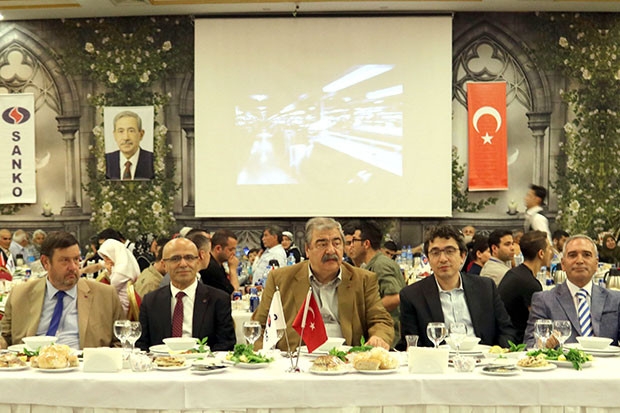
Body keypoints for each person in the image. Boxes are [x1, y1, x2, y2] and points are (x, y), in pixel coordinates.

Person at [252, 217, 394, 351]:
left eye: (337, 243)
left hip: (346, 360)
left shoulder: (363, 280)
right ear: (307, 249)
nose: (331, 250)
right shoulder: (280, 279)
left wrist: (378, 337)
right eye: (322, 244)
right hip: (296, 361)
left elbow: (381, 321)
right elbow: (258, 326)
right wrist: (266, 356)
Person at [0, 231, 124, 350]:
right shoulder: (20, 294)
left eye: (76, 259)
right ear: (45, 262)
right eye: (65, 261)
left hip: (84, 362)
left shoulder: (105, 295)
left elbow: (121, 342)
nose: (73, 267)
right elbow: (5, 338)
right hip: (32, 361)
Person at [399, 225, 516, 348]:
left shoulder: (485, 287)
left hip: (483, 356)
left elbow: (506, 330)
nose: (443, 259)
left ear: (462, 256)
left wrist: (498, 353)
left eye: (449, 251)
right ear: (428, 259)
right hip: (439, 358)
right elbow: (412, 343)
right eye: (435, 253)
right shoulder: (412, 295)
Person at [136, 237, 235, 351]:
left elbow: (226, 344)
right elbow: (142, 345)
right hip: (161, 360)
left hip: (203, 360)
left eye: (189, 258)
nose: (183, 264)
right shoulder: (151, 301)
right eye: (175, 259)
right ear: (164, 265)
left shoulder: (218, 300)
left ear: (198, 261)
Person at [524, 235, 620, 348]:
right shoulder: (544, 300)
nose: (579, 260)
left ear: (596, 264)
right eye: (572, 255)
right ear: (563, 264)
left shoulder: (615, 299)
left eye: (587, 255)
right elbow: (529, 344)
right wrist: (544, 345)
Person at [349, 220, 405, 347]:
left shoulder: (380, 265)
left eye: (354, 241)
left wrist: (367, 312)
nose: (351, 246)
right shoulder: (372, 264)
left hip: (389, 335)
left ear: (366, 244)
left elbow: (395, 297)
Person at [498, 230, 551, 343]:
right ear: (541, 253)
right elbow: (538, 322)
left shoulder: (514, 273)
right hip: (517, 342)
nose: (551, 253)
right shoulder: (530, 284)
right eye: (549, 249)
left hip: (503, 336)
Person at [105, 110, 154, 180]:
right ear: (115, 135)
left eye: (131, 131)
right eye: (121, 131)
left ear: (141, 134)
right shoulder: (105, 161)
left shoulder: (154, 161)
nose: (126, 137)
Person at [98, 238, 141, 315]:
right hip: (119, 303)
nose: (105, 260)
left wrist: (110, 272)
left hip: (120, 308)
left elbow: (109, 293)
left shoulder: (120, 271)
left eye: (107, 257)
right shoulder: (125, 264)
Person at [198, 229, 239, 294]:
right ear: (218, 248)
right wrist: (233, 269)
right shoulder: (211, 267)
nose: (234, 253)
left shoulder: (218, 264)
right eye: (230, 250)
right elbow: (234, 294)